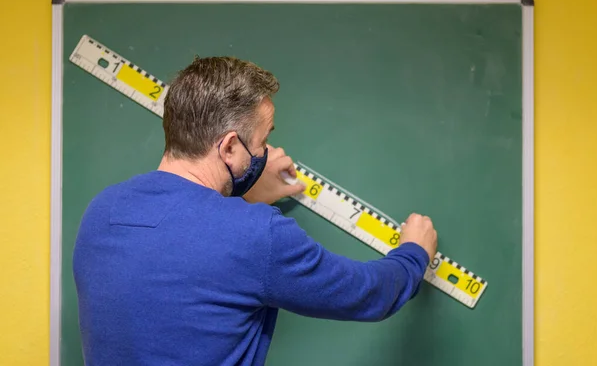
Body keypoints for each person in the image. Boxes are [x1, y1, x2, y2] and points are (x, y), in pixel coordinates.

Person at [72, 56, 438, 366]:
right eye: (262, 142)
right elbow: (367, 294)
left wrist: (246, 200)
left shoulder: (102, 211)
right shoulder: (257, 234)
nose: (264, 154)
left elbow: (182, 251)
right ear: (229, 147)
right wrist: (413, 253)